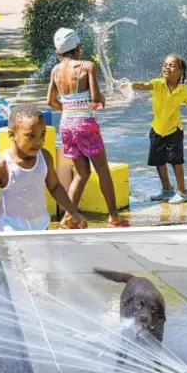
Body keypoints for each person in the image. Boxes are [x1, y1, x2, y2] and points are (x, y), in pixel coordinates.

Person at [47, 27, 129, 228]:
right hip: (85, 125)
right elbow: (94, 98)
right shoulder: (87, 67)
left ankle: (69, 217)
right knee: (102, 170)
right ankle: (113, 216)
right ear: (78, 48)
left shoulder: (56, 70)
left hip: (66, 125)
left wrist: (69, 109)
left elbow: (50, 101)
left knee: (83, 173)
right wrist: (101, 98)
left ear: (59, 52)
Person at [121, 54, 187, 204]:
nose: (167, 67)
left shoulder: (182, 90)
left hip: (174, 131)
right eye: (165, 64)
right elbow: (145, 85)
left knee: (176, 162)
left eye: (172, 65)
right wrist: (132, 85)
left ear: (181, 72)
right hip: (157, 130)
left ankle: (182, 192)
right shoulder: (157, 84)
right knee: (159, 161)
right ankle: (167, 189)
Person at [0, 104, 88, 232]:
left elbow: (54, 186)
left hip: (40, 225)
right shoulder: (1, 166)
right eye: (31, 136)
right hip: (11, 229)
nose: (38, 141)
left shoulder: (45, 157)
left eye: (42, 135)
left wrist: (72, 211)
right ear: (12, 135)